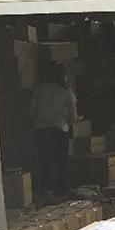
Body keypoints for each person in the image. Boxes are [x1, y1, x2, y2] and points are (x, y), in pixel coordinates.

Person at [30, 63, 77, 203]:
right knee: (60, 162)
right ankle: (61, 192)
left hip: (40, 129)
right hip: (58, 129)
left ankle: (45, 192)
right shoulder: (66, 91)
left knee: (45, 161)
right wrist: (66, 120)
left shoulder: (39, 89)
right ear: (63, 76)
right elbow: (73, 116)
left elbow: (32, 112)